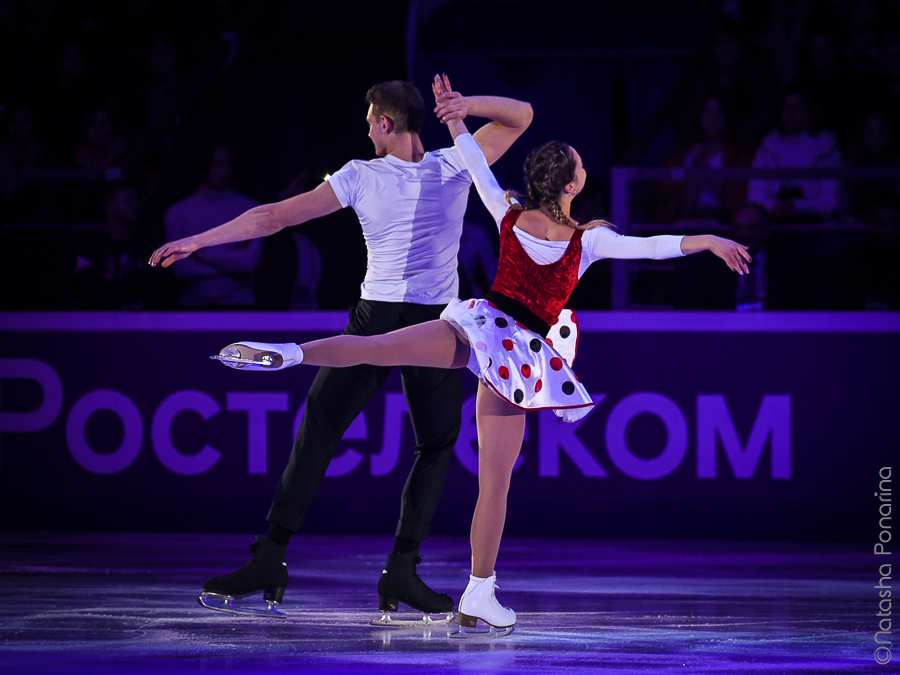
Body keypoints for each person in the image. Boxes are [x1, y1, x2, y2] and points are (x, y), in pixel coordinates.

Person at [203, 75, 751, 636]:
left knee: (372, 348)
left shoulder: (504, 209)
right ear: (572, 185)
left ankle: (291, 353)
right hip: (517, 358)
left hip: (476, 324)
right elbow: (657, 248)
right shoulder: (590, 239)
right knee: (493, 482)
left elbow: (473, 150)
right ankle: (477, 592)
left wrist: (458, 115)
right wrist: (711, 241)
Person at [149, 78, 533, 621]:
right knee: (434, 444)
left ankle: (281, 558)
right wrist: (467, 107)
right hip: (437, 322)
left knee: (324, 429)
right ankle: (394, 567)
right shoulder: (457, 162)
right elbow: (521, 115)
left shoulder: (364, 173)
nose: (366, 128)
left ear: (383, 123)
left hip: (381, 319)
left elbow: (273, 216)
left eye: (369, 119)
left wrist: (198, 240)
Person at [162, 144, 262, 308]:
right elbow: (179, 268)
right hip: (193, 308)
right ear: (204, 166)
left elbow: (248, 262)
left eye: (228, 164)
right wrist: (232, 269)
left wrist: (201, 255)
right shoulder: (179, 212)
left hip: (240, 307)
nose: (225, 170)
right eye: (218, 164)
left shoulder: (249, 208)